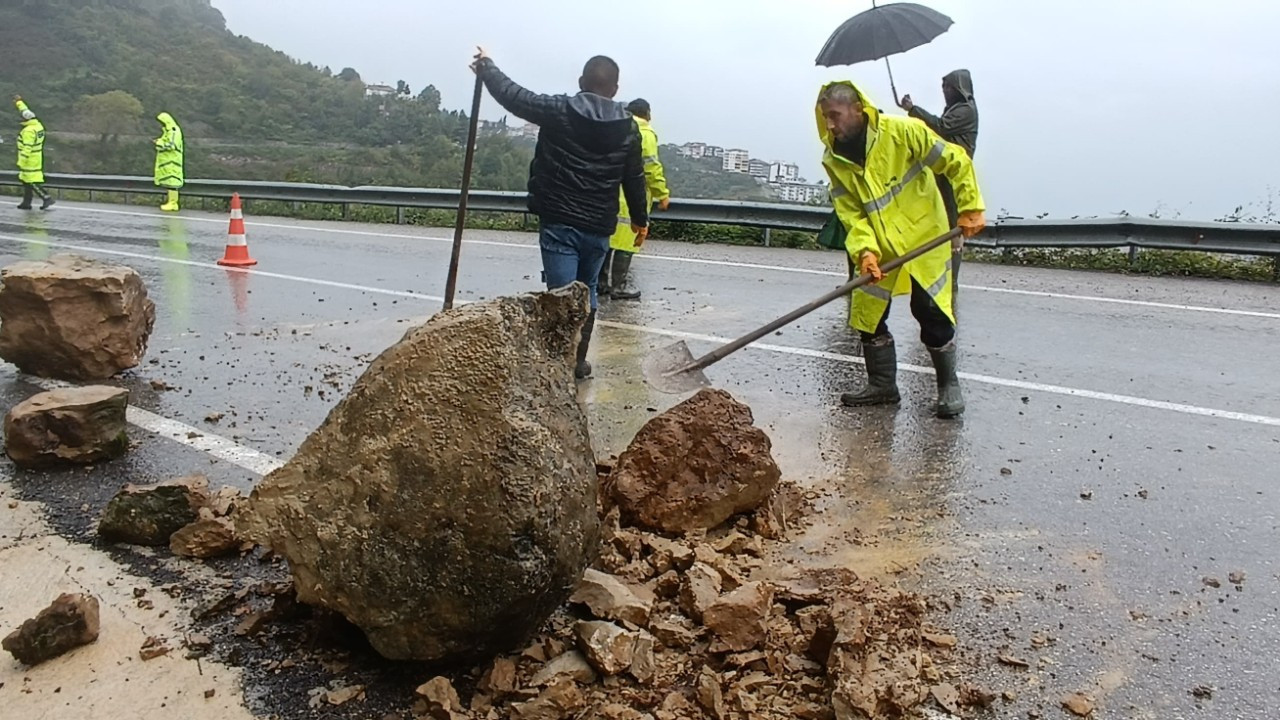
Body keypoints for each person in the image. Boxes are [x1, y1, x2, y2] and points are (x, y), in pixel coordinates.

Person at [471, 49, 649, 380]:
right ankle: (577, 362)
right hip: (598, 226)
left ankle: (557, 363)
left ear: (581, 83)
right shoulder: (628, 129)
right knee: (588, 290)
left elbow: (514, 96)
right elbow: (634, 179)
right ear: (615, 89)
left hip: (560, 222)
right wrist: (640, 220)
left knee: (561, 295)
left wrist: (486, 67)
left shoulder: (559, 110)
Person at [816, 81, 985, 419]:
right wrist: (865, 251)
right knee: (868, 313)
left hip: (923, 237)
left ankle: (948, 385)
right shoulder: (834, 158)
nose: (830, 125)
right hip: (879, 245)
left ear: (858, 110)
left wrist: (970, 206)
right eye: (825, 118)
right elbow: (850, 211)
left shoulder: (904, 132)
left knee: (930, 312)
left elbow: (956, 161)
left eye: (835, 116)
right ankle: (882, 385)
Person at [901, 70, 978, 290]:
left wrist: (912, 110)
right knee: (941, 224)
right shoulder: (956, 109)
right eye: (943, 87)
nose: (944, 91)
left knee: (953, 226)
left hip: (955, 174)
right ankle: (940, 274)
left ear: (958, 89)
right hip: (944, 172)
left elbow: (940, 126)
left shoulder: (965, 110)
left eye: (948, 87)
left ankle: (951, 280)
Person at [600, 98, 670, 301]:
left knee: (607, 240)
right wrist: (662, 194)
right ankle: (619, 287)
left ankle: (601, 284)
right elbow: (650, 167)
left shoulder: (614, 129)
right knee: (627, 241)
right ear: (647, 114)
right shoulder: (645, 134)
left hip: (607, 192)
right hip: (629, 197)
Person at [13, 95, 53, 211]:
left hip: (29, 158)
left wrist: (21, 161)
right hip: (36, 156)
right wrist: (19, 102)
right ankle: (26, 202)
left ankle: (46, 197)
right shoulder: (37, 125)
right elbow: (25, 111)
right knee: (26, 180)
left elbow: (27, 147)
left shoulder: (28, 131)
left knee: (30, 181)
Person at [154, 112, 184, 212]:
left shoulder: (173, 131)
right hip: (168, 161)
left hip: (172, 161)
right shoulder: (168, 131)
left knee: (173, 182)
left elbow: (171, 145)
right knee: (170, 182)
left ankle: (173, 203)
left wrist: (159, 143)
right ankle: (171, 202)